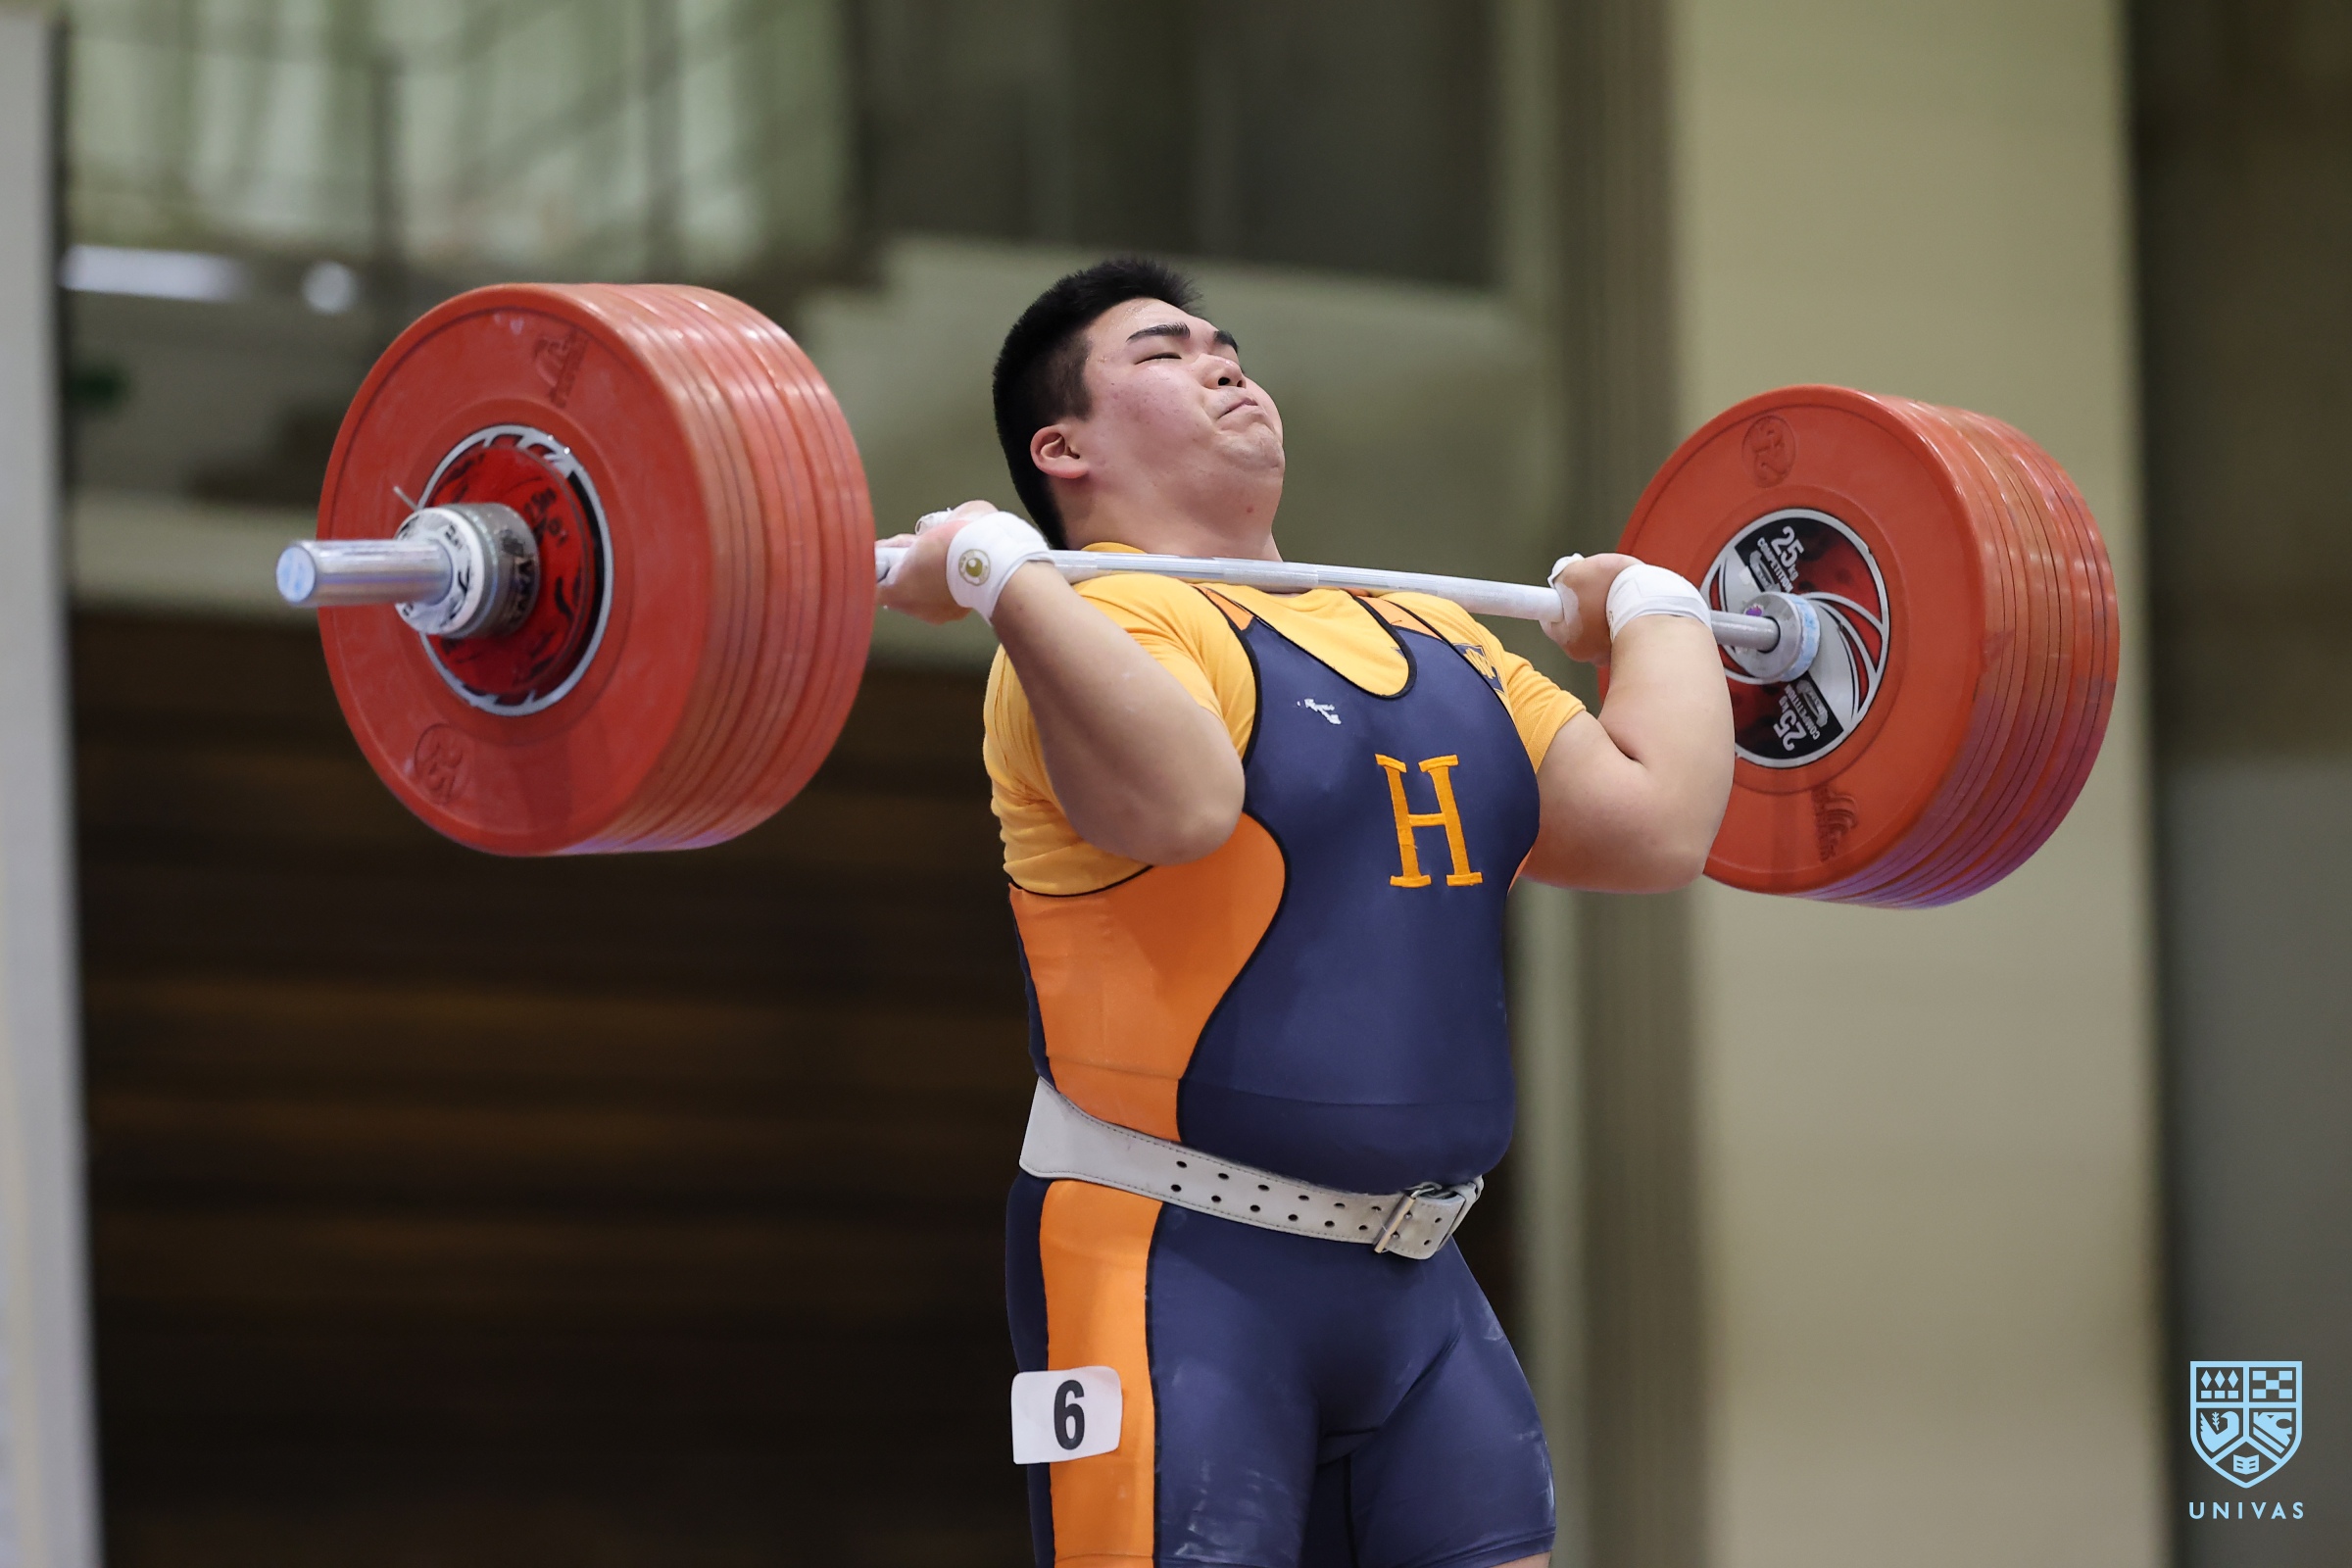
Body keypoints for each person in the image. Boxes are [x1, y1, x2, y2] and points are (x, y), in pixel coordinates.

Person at [877, 258, 1732, 1568]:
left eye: (1225, 344)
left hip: (1417, 1284)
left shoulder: (1437, 639)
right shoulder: (1094, 622)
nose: (1221, 361)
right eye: (1162, 353)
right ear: (1065, 447)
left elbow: (1656, 825)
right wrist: (1009, 575)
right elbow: (1182, 805)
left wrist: (1660, 607)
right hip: (1171, 1265)